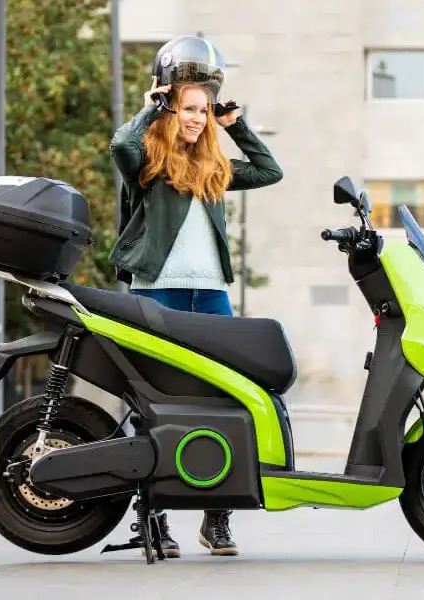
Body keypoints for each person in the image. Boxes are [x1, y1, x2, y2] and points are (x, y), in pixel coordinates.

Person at [108, 35, 283, 557]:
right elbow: (120, 147)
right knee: (149, 402)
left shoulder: (213, 168)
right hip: (157, 292)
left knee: (228, 397)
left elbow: (269, 170)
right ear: (170, 107)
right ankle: (153, 518)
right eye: (189, 108)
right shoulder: (148, 162)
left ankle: (217, 518)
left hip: (209, 297)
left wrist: (235, 125)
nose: (196, 118)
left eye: (203, 111)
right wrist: (150, 109)